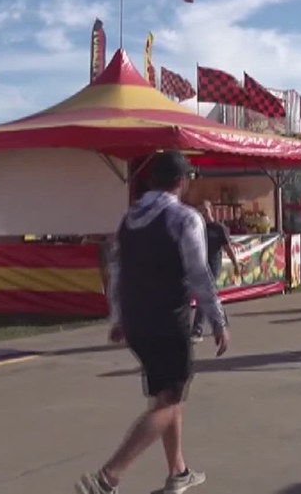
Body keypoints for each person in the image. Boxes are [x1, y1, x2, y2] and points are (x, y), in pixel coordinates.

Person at [76, 151, 228, 494]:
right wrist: (217, 320)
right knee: (170, 400)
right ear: (181, 181)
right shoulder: (185, 218)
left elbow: (117, 270)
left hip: (136, 321)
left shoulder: (129, 218)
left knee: (167, 394)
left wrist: (118, 316)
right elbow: (199, 274)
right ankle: (108, 477)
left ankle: (178, 472)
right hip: (168, 319)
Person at [190, 201, 240, 343]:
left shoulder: (218, 228)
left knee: (204, 295)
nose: (203, 213)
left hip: (214, 265)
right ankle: (222, 320)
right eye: (200, 211)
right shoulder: (199, 228)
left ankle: (197, 330)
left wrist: (235, 264)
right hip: (201, 265)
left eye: (205, 210)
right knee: (210, 295)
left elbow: (228, 248)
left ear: (211, 210)